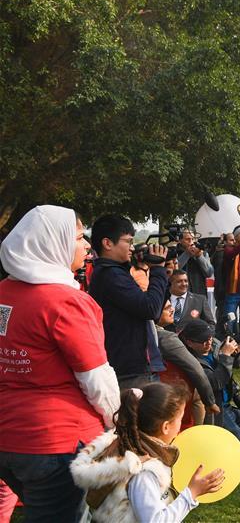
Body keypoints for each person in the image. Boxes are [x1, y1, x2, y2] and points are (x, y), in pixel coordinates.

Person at [0, 206, 121, 522]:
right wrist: (118, 422)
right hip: (56, 441)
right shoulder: (64, 302)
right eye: (79, 237)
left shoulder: (3, 295)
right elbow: (96, 377)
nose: (85, 245)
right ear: (53, 243)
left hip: (9, 439)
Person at [70, 383, 224, 522]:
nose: (180, 425)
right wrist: (191, 494)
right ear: (165, 427)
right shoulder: (145, 471)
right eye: (180, 419)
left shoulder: (129, 446)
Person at [89, 215, 169, 389]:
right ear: (107, 243)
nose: (132, 248)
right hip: (129, 372)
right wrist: (158, 270)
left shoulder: (112, 272)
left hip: (129, 366)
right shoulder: (111, 275)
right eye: (128, 241)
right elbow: (150, 308)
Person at [180, 319, 240, 451]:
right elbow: (216, 383)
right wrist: (225, 355)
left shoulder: (215, 344)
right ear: (189, 342)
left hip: (227, 402)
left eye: (210, 337)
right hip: (215, 408)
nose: (209, 342)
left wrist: (237, 354)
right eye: (203, 340)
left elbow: (238, 365)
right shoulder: (191, 362)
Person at [175, 230, 214, 296]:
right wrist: (187, 254)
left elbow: (209, 273)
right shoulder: (175, 253)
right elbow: (174, 270)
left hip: (199, 294)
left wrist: (199, 256)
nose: (191, 242)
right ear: (180, 240)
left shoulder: (203, 253)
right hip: (181, 294)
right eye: (187, 239)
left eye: (192, 239)